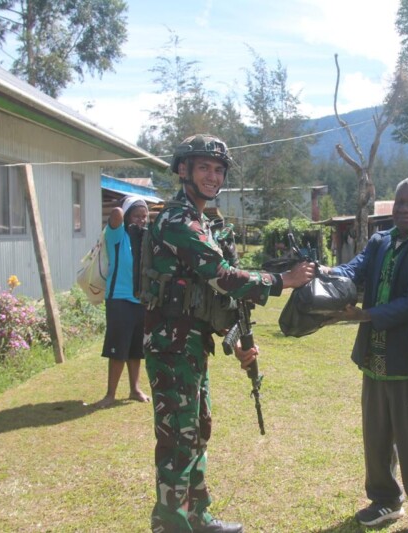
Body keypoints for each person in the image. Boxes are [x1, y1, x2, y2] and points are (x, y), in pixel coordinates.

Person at [143, 134, 315, 533]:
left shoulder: (206, 222)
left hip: (191, 345)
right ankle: (171, 525)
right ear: (183, 170)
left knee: (197, 431)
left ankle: (197, 517)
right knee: (176, 442)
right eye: (204, 167)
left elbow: (213, 298)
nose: (212, 175)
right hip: (171, 348)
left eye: (218, 169)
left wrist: (238, 341)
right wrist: (281, 280)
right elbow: (221, 278)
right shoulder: (176, 221)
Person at [326, 177, 408, 533]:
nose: (405, 209)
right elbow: (355, 268)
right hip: (377, 357)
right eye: (400, 202)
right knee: (377, 435)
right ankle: (385, 500)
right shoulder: (382, 240)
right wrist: (328, 274)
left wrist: (365, 315)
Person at [91, 195, 151, 409]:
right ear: (127, 217)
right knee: (118, 348)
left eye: (145, 216)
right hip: (119, 300)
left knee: (136, 349)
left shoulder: (144, 239)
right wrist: (126, 211)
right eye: (137, 216)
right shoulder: (118, 236)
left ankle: (135, 389)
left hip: (140, 300)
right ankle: (110, 394)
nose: (142, 220)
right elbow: (115, 215)